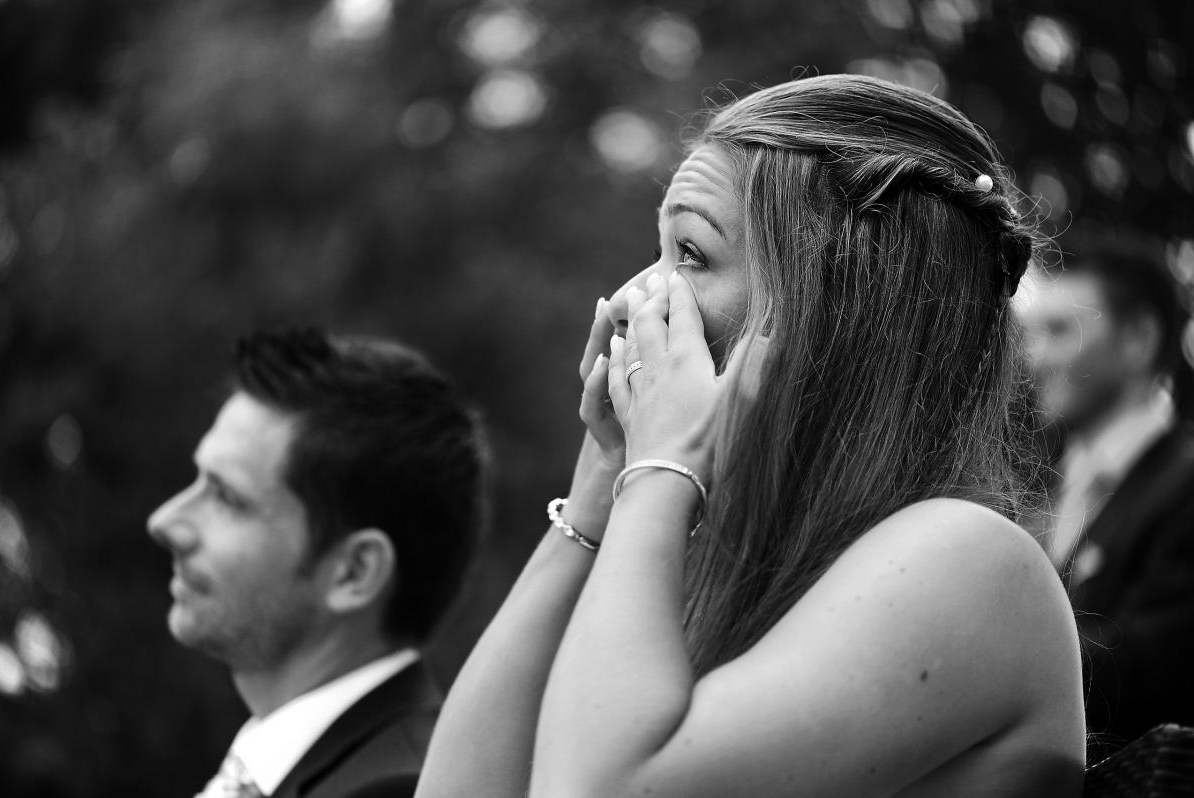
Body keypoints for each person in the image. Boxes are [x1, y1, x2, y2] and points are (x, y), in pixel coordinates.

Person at [416, 74, 1085, 798]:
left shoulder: (967, 560)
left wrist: (660, 473)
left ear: (837, 305)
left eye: (691, 255)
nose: (634, 298)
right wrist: (593, 506)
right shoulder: (702, 551)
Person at [148, 328, 485, 798]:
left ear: (354, 572)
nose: (165, 521)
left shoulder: (405, 788)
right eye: (199, 480)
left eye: (226, 497)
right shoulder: (277, 770)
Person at [1021, 230, 1194, 758]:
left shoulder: (1185, 488)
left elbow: (1156, 669)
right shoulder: (1035, 484)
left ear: (1138, 336)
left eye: (1059, 331)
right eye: (1031, 335)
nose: (1034, 358)